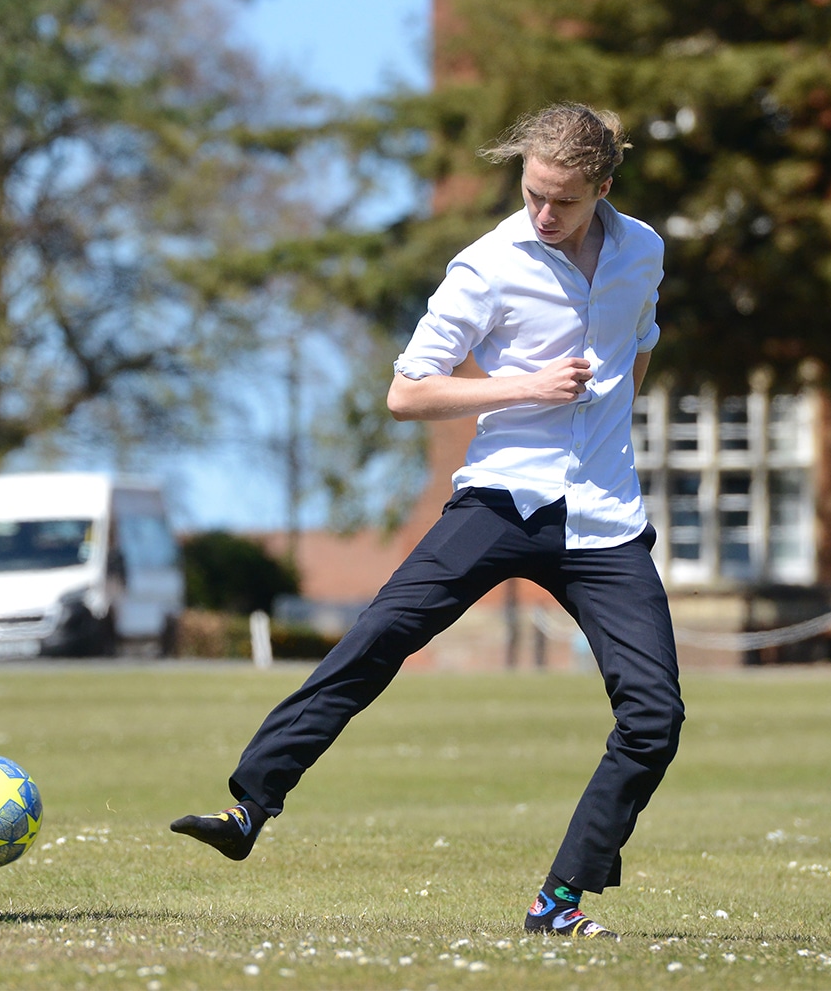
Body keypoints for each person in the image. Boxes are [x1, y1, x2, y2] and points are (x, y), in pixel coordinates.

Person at [171, 103, 678, 941]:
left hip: (604, 515)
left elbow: (642, 340)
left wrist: (612, 421)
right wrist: (525, 386)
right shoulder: (486, 266)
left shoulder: (645, 250)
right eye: (532, 193)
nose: (543, 213)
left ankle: (559, 900)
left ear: (604, 187)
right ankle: (249, 806)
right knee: (378, 636)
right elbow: (408, 391)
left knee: (655, 715)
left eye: (563, 201)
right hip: (501, 498)